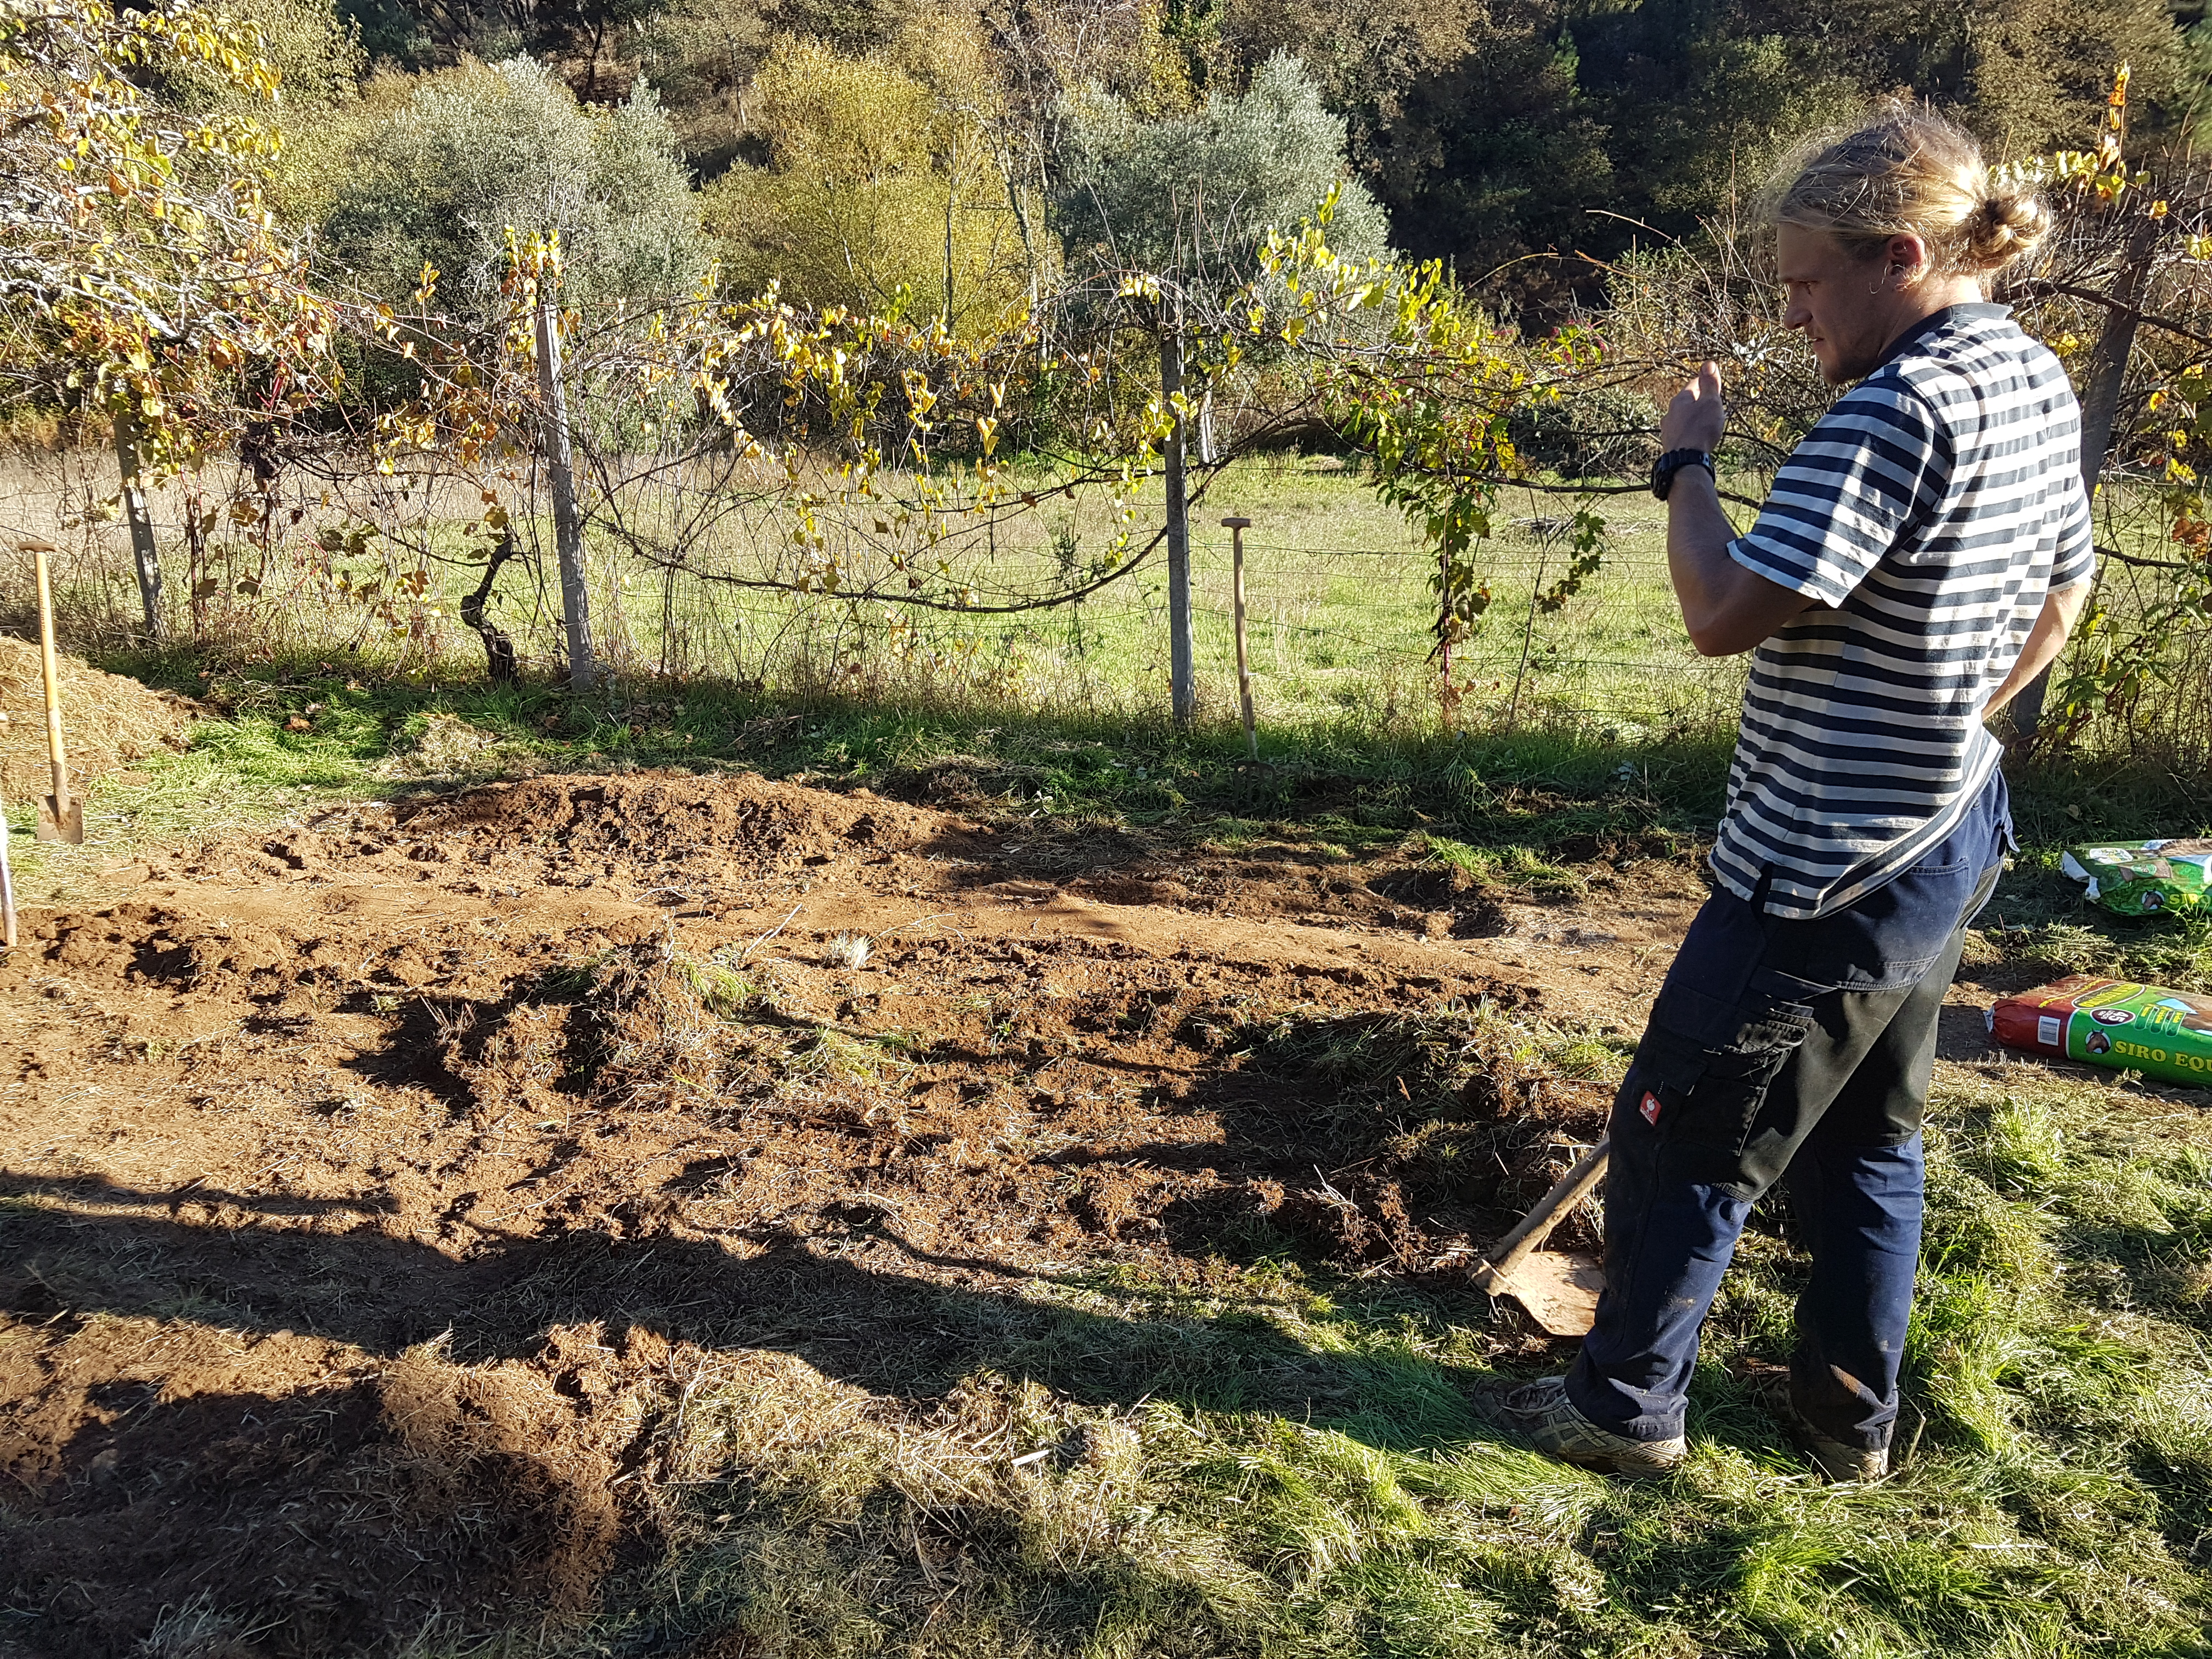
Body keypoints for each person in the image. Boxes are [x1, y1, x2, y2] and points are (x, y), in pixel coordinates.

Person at [1506, 104, 2095, 1482]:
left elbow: (1720, 613)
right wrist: (1943, 715)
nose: (1797, 316)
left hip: (1817, 871)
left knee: (1684, 1133)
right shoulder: (2032, 378)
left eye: (1807, 285)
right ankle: (1848, 1428)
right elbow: (2065, 596)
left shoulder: (1892, 409)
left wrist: (1687, 462)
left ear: (1898, 255)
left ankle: (1623, 1411)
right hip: (1947, 835)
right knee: (1867, 1147)